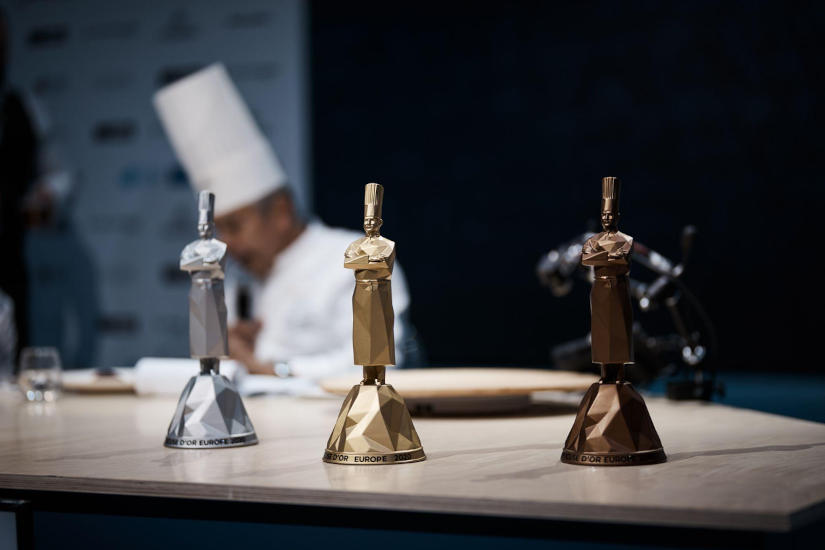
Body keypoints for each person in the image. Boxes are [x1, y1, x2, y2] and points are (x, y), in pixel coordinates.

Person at [154, 63, 412, 380]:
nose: (226, 243)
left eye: (235, 226)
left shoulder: (358, 259)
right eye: (219, 228)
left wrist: (275, 371)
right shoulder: (238, 279)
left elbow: (378, 361)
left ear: (280, 211)